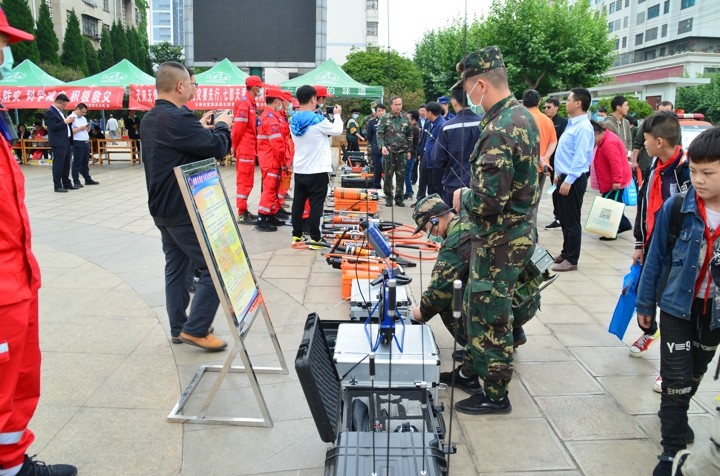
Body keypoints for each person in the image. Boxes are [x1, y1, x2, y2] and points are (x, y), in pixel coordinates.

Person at [0, 9, 78, 475]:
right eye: (0, 45)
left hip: (16, 278)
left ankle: (11, 464)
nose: (5, 57)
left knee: (18, 381)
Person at [452, 45, 539, 414]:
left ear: (481, 85)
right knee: (478, 307)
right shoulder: (521, 116)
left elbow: (489, 201)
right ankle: (474, 372)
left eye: (467, 88)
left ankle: (495, 394)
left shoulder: (501, 128)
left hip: (501, 240)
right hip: (509, 236)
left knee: (491, 316)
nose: (467, 96)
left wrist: (463, 197)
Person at [635, 127, 720, 476]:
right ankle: (671, 450)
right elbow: (655, 259)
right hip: (675, 308)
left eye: (708, 173)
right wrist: (644, 305)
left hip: (713, 313)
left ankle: (676, 412)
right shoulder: (677, 208)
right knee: (675, 377)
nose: (697, 179)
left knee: (695, 372)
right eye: (694, 171)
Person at [141, 61, 231, 351]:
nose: (195, 88)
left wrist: (200, 129)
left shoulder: (151, 117)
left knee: (177, 269)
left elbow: (180, 148)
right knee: (214, 268)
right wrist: (223, 126)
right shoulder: (179, 119)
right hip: (183, 208)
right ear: (180, 86)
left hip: (161, 207)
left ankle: (179, 327)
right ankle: (196, 328)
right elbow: (218, 147)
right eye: (193, 84)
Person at [629, 113, 689, 388]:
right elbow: (644, 205)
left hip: (677, 253)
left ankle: (669, 368)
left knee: (671, 307)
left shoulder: (686, 171)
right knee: (645, 293)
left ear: (660, 141)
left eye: (646, 139)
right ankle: (650, 330)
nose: (644, 144)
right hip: (653, 245)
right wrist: (639, 243)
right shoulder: (655, 165)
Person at [411, 195, 470, 360]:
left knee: (448, 300)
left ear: (434, 220)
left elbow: (439, 291)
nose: (427, 234)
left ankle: (478, 349)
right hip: (517, 297)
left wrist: (421, 313)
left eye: (426, 229)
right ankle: (513, 335)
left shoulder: (454, 242)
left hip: (495, 305)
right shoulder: (466, 219)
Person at [289, 85, 342, 248]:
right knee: (316, 206)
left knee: (298, 204)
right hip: (317, 170)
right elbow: (338, 130)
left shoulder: (293, 120)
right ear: (313, 99)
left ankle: (296, 236)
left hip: (300, 169)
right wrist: (337, 115)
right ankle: (315, 239)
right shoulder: (318, 120)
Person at [551, 88, 594, 272]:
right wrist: (559, 175)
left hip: (573, 180)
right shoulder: (572, 124)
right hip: (564, 177)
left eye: (568, 100)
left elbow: (580, 157)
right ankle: (566, 252)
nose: (566, 103)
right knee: (564, 218)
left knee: (572, 220)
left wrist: (569, 179)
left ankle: (572, 259)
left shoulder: (583, 127)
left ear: (578, 103)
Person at [433, 82, 482, 207]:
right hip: (480, 188)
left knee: (453, 218)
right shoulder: (486, 124)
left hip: (454, 187)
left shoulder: (447, 127)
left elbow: (438, 159)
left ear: (454, 101)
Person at [590, 119, 632, 239]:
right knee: (613, 203)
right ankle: (624, 224)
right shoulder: (604, 139)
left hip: (615, 180)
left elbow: (616, 164)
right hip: (609, 179)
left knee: (610, 205)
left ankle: (610, 233)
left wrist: (617, 180)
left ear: (596, 133)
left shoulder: (609, 143)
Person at [522, 89, 557, 230]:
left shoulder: (521, 119)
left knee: (522, 202)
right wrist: (545, 158)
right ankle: (532, 231)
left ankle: (524, 232)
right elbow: (553, 142)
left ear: (523, 102)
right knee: (535, 201)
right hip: (542, 168)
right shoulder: (548, 120)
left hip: (524, 168)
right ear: (539, 102)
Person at [233, 75, 265, 225]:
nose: (260, 90)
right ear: (254, 87)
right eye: (259, 87)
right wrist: (234, 146)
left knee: (248, 180)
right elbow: (237, 129)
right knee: (244, 180)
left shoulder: (250, 103)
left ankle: (243, 210)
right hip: (245, 148)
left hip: (249, 148)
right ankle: (241, 213)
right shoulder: (244, 103)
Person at [254, 87, 287, 232]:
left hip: (270, 159)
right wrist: (283, 162)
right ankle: (262, 218)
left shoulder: (269, 115)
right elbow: (277, 144)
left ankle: (271, 214)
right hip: (271, 160)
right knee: (269, 189)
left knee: (273, 189)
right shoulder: (270, 118)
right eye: (280, 101)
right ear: (277, 101)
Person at [377, 95, 412, 207]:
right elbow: (380, 134)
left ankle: (399, 198)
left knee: (401, 176)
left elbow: (409, 135)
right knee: (388, 175)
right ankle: (388, 197)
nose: (398, 106)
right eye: (396, 104)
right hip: (389, 152)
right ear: (391, 105)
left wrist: (409, 150)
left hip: (402, 152)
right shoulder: (385, 118)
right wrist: (382, 146)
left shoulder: (405, 118)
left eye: (400, 104)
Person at [45, 93, 78, 193]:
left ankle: (66, 183)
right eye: (64, 105)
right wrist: (65, 122)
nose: (64, 107)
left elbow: (63, 125)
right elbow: (52, 127)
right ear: (59, 102)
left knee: (66, 163)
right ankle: (57, 185)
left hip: (66, 140)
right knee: (59, 164)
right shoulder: (50, 112)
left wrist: (69, 122)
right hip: (58, 142)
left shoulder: (60, 112)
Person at [543, 97, 568, 229]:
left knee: (559, 189)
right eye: (545, 107)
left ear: (556, 108)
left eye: (549, 107)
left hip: (559, 162)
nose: (546, 110)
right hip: (546, 160)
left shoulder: (563, 122)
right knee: (554, 189)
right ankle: (557, 216)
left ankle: (561, 217)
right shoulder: (543, 121)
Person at [69, 103, 99, 188]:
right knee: (77, 162)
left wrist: (87, 128)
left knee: (85, 162)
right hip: (77, 142)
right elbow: (70, 132)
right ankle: (76, 181)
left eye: (85, 113)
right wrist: (80, 128)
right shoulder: (71, 118)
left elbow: (85, 130)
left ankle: (87, 179)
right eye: (82, 112)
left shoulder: (83, 118)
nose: (83, 114)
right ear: (78, 109)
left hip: (85, 141)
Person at [421, 101, 446, 199]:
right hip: (430, 160)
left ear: (430, 113)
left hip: (437, 162)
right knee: (430, 185)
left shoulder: (441, 125)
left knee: (437, 187)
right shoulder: (431, 123)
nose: (425, 114)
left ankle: (438, 206)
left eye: (426, 112)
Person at [365, 103, 385, 190]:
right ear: (376, 112)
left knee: (387, 169)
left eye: (382, 111)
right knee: (377, 169)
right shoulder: (371, 122)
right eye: (379, 111)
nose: (381, 112)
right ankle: (377, 186)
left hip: (388, 149)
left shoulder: (390, 122)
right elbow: (369, 137)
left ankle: (388, 186)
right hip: (376, 149)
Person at [405, 110, 421, 200]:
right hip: (410, 153)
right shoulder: (413, 127)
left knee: (407, 174)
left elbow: (409, 142)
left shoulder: (414, 129)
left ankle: (409, 192)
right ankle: (409, 191)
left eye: (408, 118)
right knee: (406, 174)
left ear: (413, 120)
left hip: (411, 154)